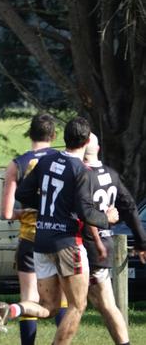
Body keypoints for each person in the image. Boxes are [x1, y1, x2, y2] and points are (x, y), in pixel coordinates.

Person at [0, 117, 120, 344]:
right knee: (78, 305)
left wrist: (48, 208)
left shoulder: (46, 161)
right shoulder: (82, 171)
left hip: (41, 241)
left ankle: (11, 309)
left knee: (49, 307)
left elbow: (22, 194)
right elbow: (86, 213)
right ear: (87, 141)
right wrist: (107, 218)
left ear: (64, 138)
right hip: (68, 243)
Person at [0, 113, 65, 344]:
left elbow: (6, 213)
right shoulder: (62, 160)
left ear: (30, 134)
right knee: (63, 298)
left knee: (28, 296)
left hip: (29, 238)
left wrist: (25, 213)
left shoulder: (17, 164)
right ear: (54, 135)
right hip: (58, 235)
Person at [83, 132, 146, 345]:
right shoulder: (111, 175)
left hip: (87, 245)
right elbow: (129, 206)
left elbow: (84, 213)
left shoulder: (80, 175)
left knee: (76, 305)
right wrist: (141, 241)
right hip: (104, 242)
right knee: (103, 304)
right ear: (98, 149)